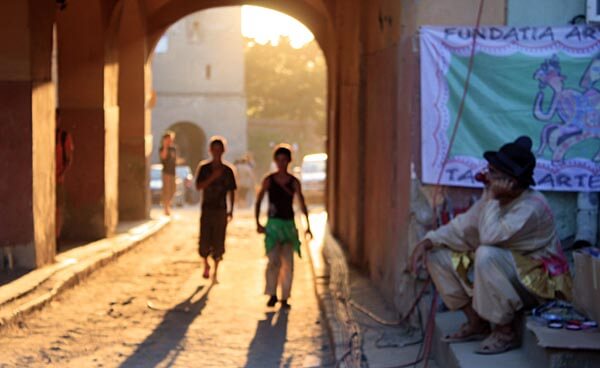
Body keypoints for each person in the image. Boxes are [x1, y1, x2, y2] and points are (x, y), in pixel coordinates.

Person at [411, 136, 572, 355]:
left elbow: (488, 236)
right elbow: (463, 228)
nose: (487, 176)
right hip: (508, 273)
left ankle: (505, 332)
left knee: (486, 254)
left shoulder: (531, 207)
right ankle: (476, 322)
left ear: (511, 182)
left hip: (537, 283)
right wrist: (427, 241)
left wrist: (492, 197)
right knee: (437, 253)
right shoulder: (497, 199)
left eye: (493, 173)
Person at [255, 144, 312, 309]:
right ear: (275, 161)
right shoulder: (269, 180)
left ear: (289, 161)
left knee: (288, 263)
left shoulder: (294, 182)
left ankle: (285, 297)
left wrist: (308, 226)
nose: (281, 163)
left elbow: (302, 202)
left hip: (288, 225)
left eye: (284, 160)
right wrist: (257, 222)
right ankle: (272, 294)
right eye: (279, 160)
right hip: (273, 226)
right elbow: (258, 201)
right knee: (273, 261)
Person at [195, 137, 237, 282]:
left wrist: (231, 210)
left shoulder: (228, 170)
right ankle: (206, 263)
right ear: (210, 150)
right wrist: (213, 177)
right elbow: (199, 186)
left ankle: (216, 272)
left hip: (221, 210)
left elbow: (232, 191)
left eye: (219, 150)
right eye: (214, 149)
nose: (217, 152)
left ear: (223, 151)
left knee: (219, 240)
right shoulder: (204, 168)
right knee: (205, 239)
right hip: (207, 209)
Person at [55, 111, 74, 240]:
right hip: (46, 182)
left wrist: (61, 174)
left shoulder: (63, 137)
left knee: (58, 209)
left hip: (58, 181)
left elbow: (69, 159)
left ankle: (57, 236)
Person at [159, 132, 177, 216]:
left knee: (173, 190)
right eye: (168, 139)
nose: (170, 141)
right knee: (166, 190)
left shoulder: (173, 149)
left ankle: (167, 204)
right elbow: (163, 157)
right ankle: (166, 208)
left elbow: (174, 159)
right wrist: (165, 146)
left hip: (173, 172)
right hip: (166, 172)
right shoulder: (162, 148)